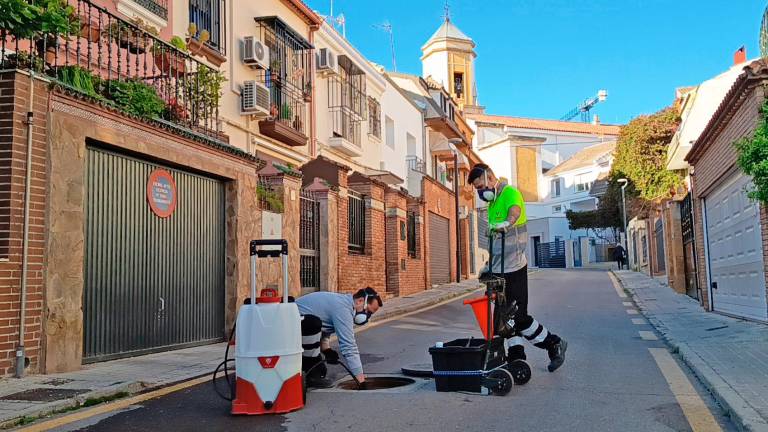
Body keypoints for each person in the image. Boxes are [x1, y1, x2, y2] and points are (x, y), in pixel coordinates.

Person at [468, 163, 568, 373]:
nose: (480, 191)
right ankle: (517, 359)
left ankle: (554, 343)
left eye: (480, 185)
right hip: (499, 270)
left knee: (518, 317)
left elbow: (515, 211)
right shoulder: (492, 204)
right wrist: (488, 268)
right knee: (504, 321)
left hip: (515, 268)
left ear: (490, 178)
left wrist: (508, 222)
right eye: (477, 189)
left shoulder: (510, 193)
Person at [295, 287, 382, 388]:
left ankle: (308, 370)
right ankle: (306, 371)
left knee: (321, 370)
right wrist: (361, 381)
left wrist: (326, 349)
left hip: (300, 324)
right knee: (315, 372)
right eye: (368, 311)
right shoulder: (343, 309)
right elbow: (349, 347)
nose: (367, 317)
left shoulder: (343, 303)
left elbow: (324, 326)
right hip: (290, 326)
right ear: (360, 301)